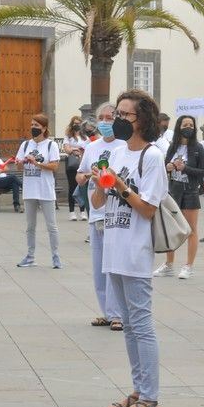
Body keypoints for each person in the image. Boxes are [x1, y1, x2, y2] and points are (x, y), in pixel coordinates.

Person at [92, 89, 168, 407]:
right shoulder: (119, 153)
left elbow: (149, 208)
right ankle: (137, 389)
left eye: (125, 115)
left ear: (143, 120)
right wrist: (99, 182)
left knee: (141, 323)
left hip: (136, 251)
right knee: (128, 326)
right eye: (117, 115)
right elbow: (97, 204)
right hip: (114, 247)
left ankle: (149, 397)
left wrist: (119, 186)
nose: (119, 120)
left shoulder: (151, 157)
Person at [78, 103, 126, 330]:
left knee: (113, 264)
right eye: (102, 118)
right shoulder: (92, 147)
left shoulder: (123, 146)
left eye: (110, 117)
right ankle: (106, 311)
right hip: (95, 210)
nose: (106, 121)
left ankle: (118, 314)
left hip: (114, 210)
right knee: (98, 265)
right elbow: (80, 173)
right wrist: (85, 176)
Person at [153, 114, 204, 279]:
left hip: (190, 190)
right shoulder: (172, 146)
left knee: (191, 229)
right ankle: (169, 264)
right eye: (185, 124)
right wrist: (168, 166)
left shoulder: (198, 148)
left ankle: (188, 265)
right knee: (170, 227)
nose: (188, 127)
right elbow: (164, 166)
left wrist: (185, 168)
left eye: (191, 124)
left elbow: (203, 172)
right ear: (178, 127)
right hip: (174, 189)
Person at [15, 113, 62, 269]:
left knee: (51, 225)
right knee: (30, 226)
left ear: (44, 128)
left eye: (36, 125)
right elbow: (19, 166)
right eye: (32, 125)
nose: (33, 128)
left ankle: (56, 257)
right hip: (30, 190)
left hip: (45, 190)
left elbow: (55, 166)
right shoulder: (25, 145)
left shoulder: (51, 145)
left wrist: (37, 163)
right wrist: (20, 162)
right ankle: (30, 256)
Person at [62, 115, 86, 221]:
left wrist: (79, 150)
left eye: (79, 123)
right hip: (72, 163)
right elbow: (67, 149)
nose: (77, 125)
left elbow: (89, 147)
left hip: (83, 162)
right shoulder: (68, 136)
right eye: (75, 123)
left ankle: (82, 210)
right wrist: (75, 150)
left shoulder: (85, 136)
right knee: (72, 186)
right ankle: (72, 212)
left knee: (82, 186)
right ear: (72, 124)